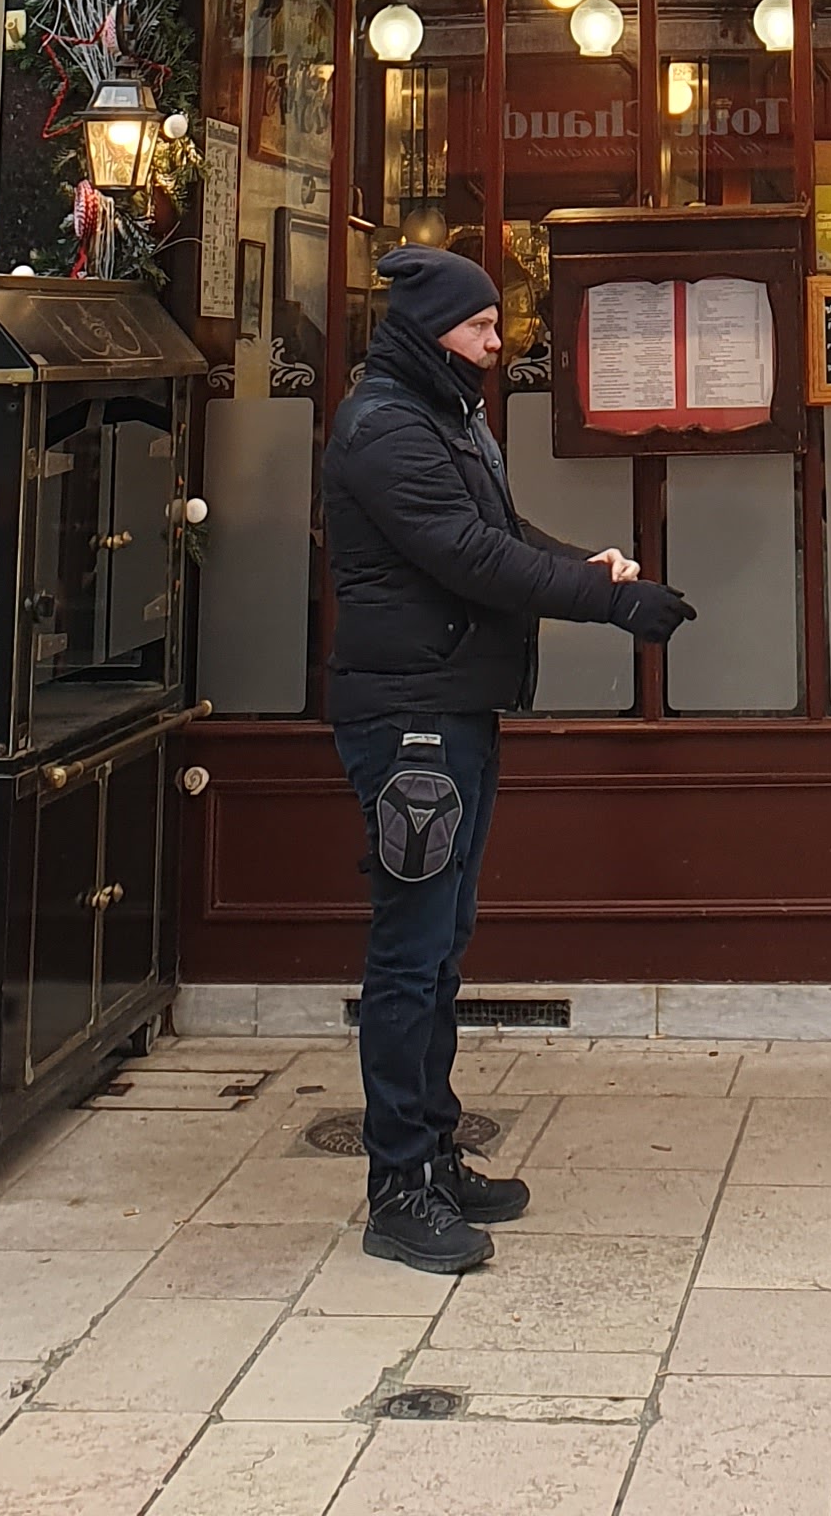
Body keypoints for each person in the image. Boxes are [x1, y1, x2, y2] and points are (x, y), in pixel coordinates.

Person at [321, 243, 693, 1272]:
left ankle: (435, 1155)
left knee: (442, 945)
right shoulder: (385, 426)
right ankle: (398, 1189)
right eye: (483, 326)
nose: (498, 343)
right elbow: (470, 557)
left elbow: (500, 529)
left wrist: (589, 566)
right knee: (410, 953)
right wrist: (611, 603)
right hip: (410, 719)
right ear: (434, 327)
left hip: (456, 708)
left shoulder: (443, 414)